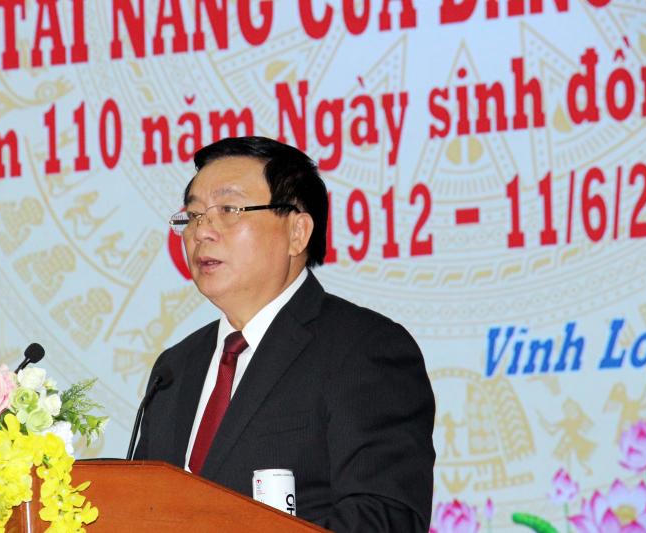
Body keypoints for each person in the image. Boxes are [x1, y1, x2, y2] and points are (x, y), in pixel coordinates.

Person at [134, 136, 435, 532]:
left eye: (229, 210)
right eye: (193, 215)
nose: (202, 231)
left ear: (297, 232)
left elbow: (386, 517)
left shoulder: (364, 348)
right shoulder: (174, 368)